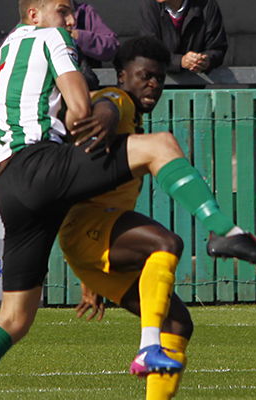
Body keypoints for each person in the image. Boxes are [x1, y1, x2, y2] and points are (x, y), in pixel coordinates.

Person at [0, 0, 256, 399]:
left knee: (13, 319)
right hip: (39, 162)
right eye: (63, 10)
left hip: (10, 183)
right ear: (34, 14)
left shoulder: (7, 49)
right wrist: (92, 111)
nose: (72, 21)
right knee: (161, 146)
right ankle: (225, 231)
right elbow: (82, 109)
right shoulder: (52, 37)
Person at [60, 36, 193, 399]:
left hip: (99, 239)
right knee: (166, 243)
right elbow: (107, 106)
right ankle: (148, 345)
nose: (153, 84)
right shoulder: (118, 99)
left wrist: (93, 276)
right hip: (88, 228)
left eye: (160, 78)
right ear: (122, 75)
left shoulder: (132, 119)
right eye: (144, 76)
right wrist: (101, 118)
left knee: (178, 322)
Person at [138, 0, 227, 74]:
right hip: (159, 87)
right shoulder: (149, 5)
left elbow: (217, 47)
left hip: (194, 87)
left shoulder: (207, 5)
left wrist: (205, 60)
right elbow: (149, 51)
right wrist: (180, 61)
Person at [71, 0, 118, 89]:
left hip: (84, 88)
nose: (70, 21)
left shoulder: (85, 13)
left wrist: (80, 37)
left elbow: (111, 46)